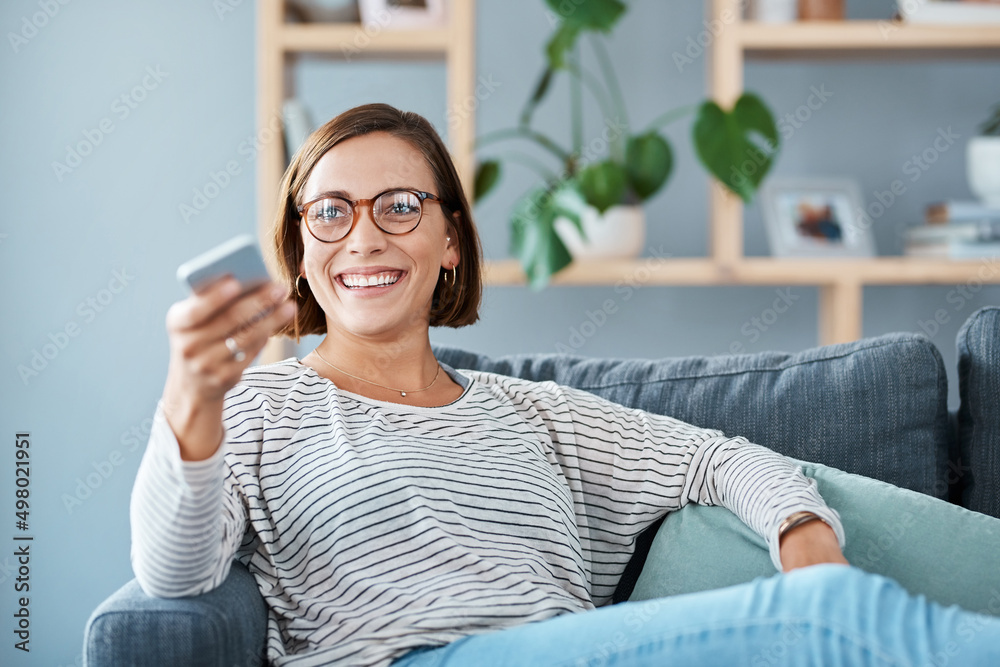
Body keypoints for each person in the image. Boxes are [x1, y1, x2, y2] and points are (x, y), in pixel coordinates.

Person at [131, 103, 1000, 667]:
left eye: (399, 205)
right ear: (301, 246)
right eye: (330, 211)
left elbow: (722, 459)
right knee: (826, 625)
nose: (362, 236)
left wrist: (806, 534)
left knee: (823, 610)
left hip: (569, 650)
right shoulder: (258, 406)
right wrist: (191, 397)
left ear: (451, 243)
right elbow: (173, 574)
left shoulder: (531, 412)